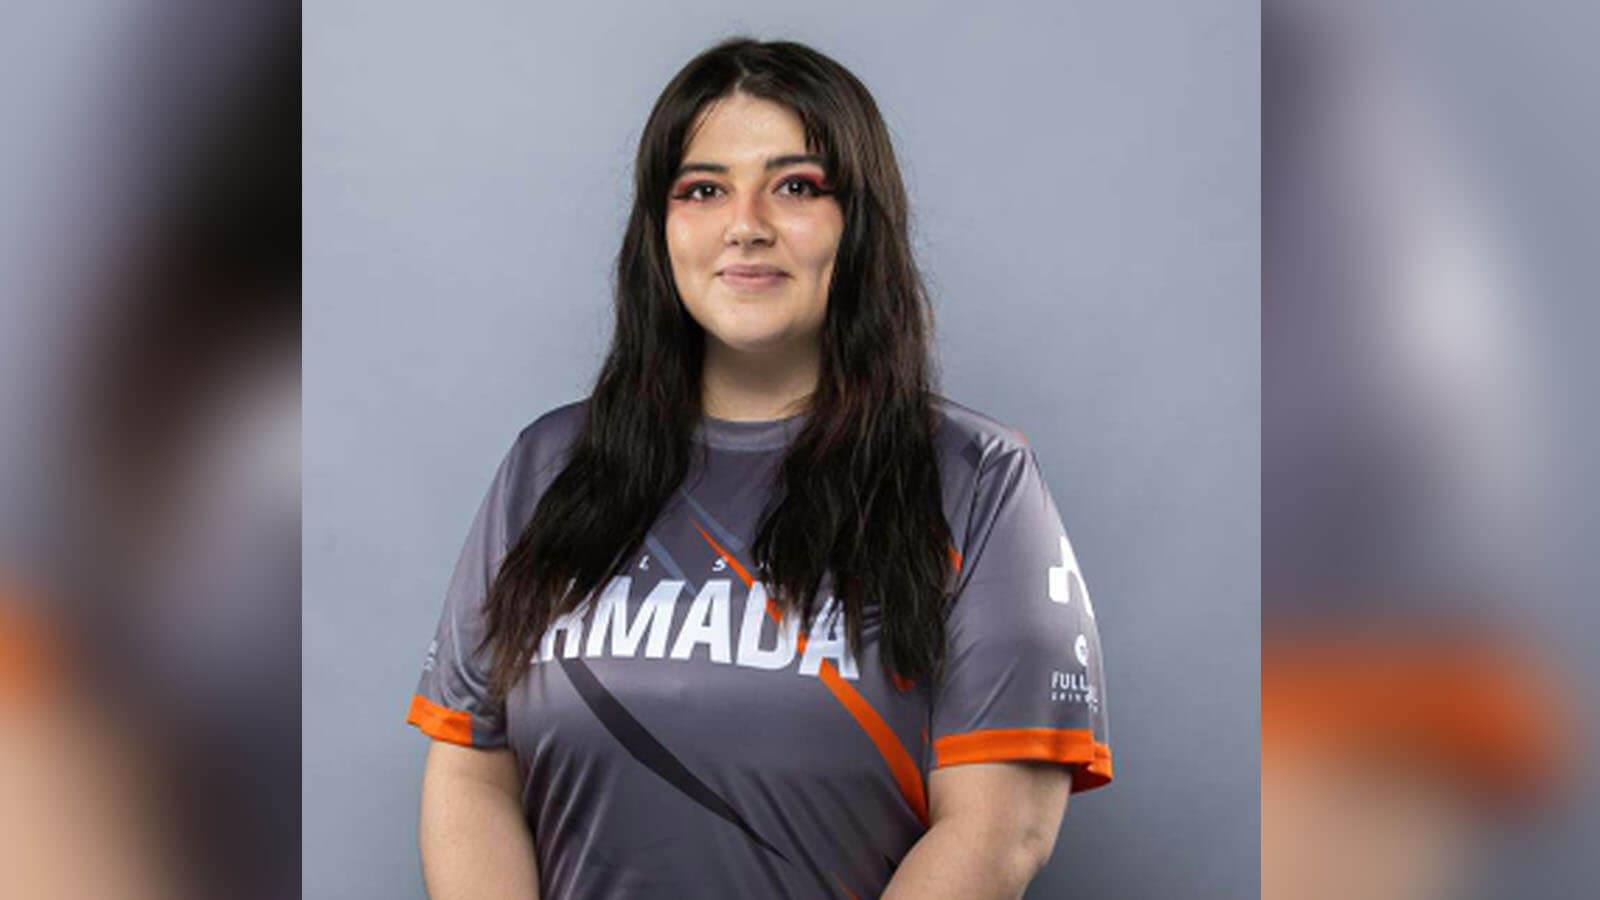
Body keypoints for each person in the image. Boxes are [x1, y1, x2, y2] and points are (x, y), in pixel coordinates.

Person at [405, 36, 1112, 899]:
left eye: (796, 186)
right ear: (660, 228)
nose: (746, 224)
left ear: (859, 223)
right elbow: (471, 773)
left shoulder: (977, 480)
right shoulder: (550, 466)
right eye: (703, 189)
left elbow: (1000, 831)